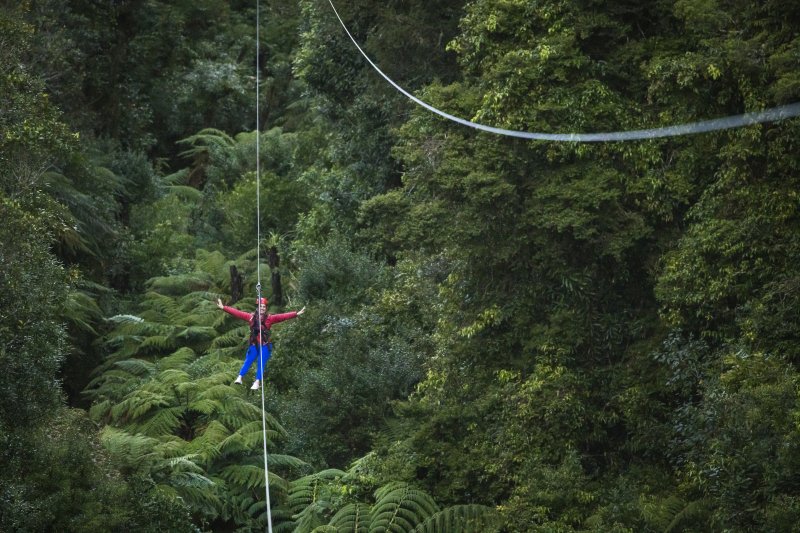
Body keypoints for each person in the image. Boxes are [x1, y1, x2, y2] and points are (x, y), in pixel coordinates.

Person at [217, 296, 305, 389]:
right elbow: (238, 313)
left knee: (261, 363)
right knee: (249, 360)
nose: (262, 308)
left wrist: (296, 314)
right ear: (257, 307)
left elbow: (282, 316)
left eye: (264, 307)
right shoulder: (251, 317)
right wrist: (224, 308)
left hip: (264, 345)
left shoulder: (270, 318)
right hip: (254, 344)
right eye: (261, 306)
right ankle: (240, 377)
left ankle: (257, 381)